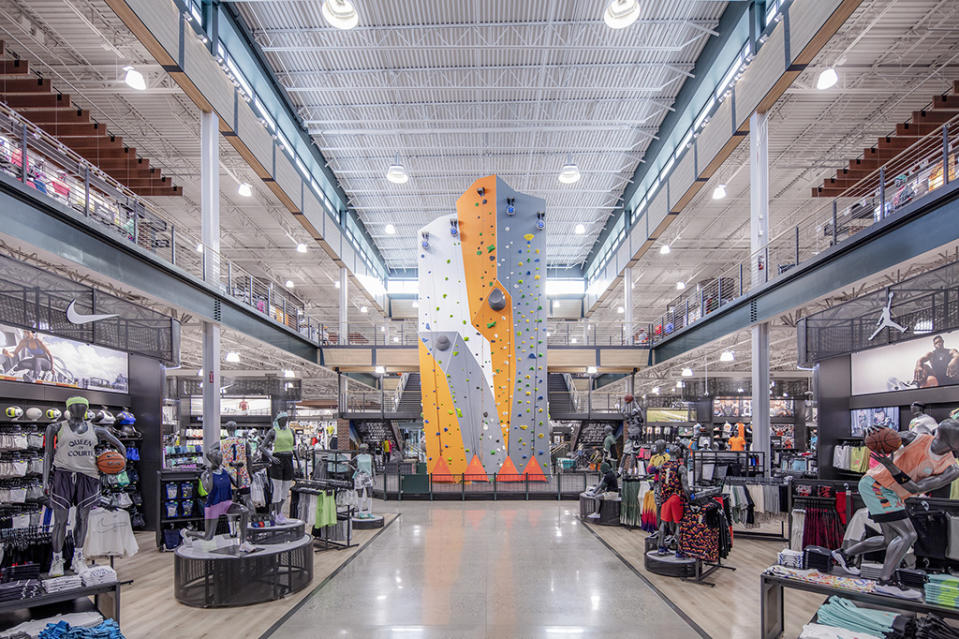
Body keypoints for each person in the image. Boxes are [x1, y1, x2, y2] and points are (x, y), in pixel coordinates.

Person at [833, 419, 959, 594]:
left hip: (894, 493)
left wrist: (890, 465)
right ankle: (885, 582)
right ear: (943, 436)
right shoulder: (914, 438)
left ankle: (845, 554)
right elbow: (872, 440)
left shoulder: (951, 468)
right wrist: (869, 432)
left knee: (889, 540)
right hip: (876, 485)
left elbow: (917, 488)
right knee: (908, 535)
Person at [42, 396, 126, 576]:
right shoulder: (55, 427)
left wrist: (120, 465)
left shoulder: (96, 429)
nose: (78, 409)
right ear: (69, 409)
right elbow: (48, 455)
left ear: (86, 409)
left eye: (82, 407)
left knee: (82, 519)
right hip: (62, 475)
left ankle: (78, 558)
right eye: (75, 406)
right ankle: (57, 560)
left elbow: (120, 446)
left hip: (88, 476)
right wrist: (44, 479)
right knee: (60, 521)